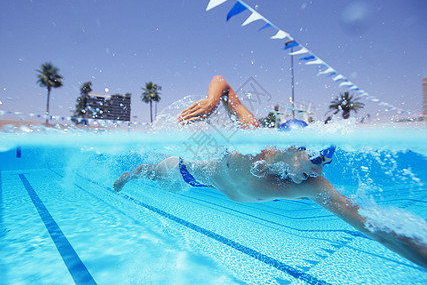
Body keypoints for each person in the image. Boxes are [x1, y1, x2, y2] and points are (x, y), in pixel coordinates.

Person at [114, 75, 427, 269]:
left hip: (209, 184)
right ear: (294, 147)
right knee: (151, 173)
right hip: (188, 172)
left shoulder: (311, 185)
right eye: (316, 160)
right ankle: (132, 173)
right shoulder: (253, 138)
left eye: (324, 165)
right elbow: (222, 82)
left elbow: (373, 228)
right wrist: (212, 101)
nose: (317, 170)